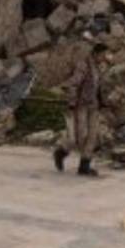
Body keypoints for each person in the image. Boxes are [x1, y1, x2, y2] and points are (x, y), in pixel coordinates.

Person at [53, 32, 107, 177]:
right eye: (102, 54)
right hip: (81, 106)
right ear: (96, 54)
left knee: (92, 136)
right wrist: (71, 102)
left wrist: (103, 102)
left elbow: (98, 87)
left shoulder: (99, 68)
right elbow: (74, 84)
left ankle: (84, 166)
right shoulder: (83, 66)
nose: (104, 57)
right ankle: (61, 152)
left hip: (93, 106)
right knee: (79, 137)